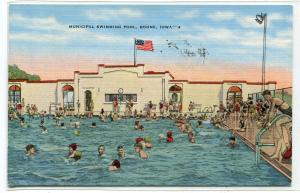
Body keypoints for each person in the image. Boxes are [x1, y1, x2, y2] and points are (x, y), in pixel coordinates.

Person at [262, 90, 292, 162]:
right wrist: (265, 122)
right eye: (265, 97)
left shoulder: (274, 100)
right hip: (285, 117)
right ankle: (276, 154)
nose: (266, 98)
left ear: (270, 95)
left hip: (289, 117)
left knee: (277, 123)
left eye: (267, 96)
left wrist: (268, 123)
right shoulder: (272, 101)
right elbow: (270, 112)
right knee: (279, 137)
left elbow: (271, 112)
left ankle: (283, 144)